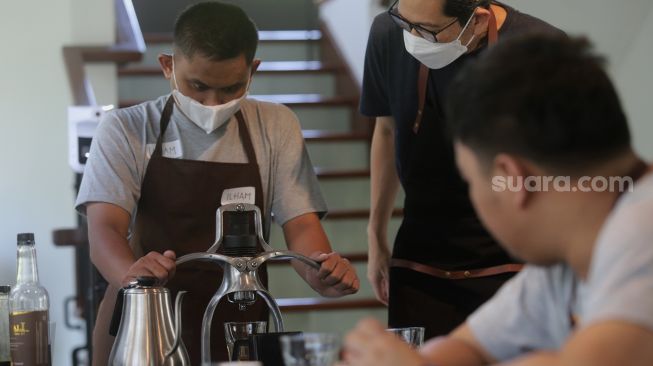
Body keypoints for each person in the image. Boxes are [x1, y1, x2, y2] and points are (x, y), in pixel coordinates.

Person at [342, 33, 653, 366]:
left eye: (471, 181)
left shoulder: (641, 226)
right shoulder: (566, 261)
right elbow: (468, 347)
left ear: (513, 178)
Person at [75, 2, 360, 364]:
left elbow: (302, 224)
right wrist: (133, 276)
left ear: (252, 71)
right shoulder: (126, 128)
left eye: (231, 89)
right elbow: (104, 232)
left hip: (241, 328)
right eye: (198, 86)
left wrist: (319, 272)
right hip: (146, 324)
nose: (213, 103)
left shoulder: (275, 125)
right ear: (168, 66)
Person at [361, 0, 562, 337]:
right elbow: (387, 128)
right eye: (404, 22)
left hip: (514, 263)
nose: (412, 37)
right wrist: (375, 232)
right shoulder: (387, 32)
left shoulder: (541, 50)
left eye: (427, 31)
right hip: (420, 259)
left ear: (479, 22)